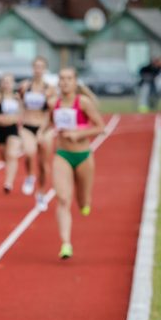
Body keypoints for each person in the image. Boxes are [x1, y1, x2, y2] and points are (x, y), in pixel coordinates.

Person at [44, 67, 106, 259]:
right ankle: (66, 244)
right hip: (62, 154)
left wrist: (77, 133)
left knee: (83, 201)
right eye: (61, 79)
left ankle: (84, 202)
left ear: (75, 81)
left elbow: (100, 127)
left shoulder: (83, 102)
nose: (64, 82)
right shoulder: (55, 103)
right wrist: (41, 135)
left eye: (69, 79)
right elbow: (48, 123)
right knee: (63, 199)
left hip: (83, 156)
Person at [19, 56, 55, 209]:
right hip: (27, 125)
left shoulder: (50, 89)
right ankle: (29, 176)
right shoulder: (25, 86)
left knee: (43, 165)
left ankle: (40, 193)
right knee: (28, 152)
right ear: (32, 68)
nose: (38, 70)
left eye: (41, 67)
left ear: (45, 69)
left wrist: (42, 130)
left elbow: (51, 112)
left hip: (45, 128)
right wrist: (19, 121)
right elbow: (20, 104)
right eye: (36, 66)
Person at [0, 73, 23, 194]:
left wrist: (17, 118)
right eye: (5, 82)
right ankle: (9, 172)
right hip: (1, 130)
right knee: (4, 157)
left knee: (12, 154)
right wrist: (0, 118)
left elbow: (23, 113)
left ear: (13, 84)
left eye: (9, 82)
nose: (7, 84)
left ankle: (8, 183)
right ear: (1, 84)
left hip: (13, 129)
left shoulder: (17, 97)